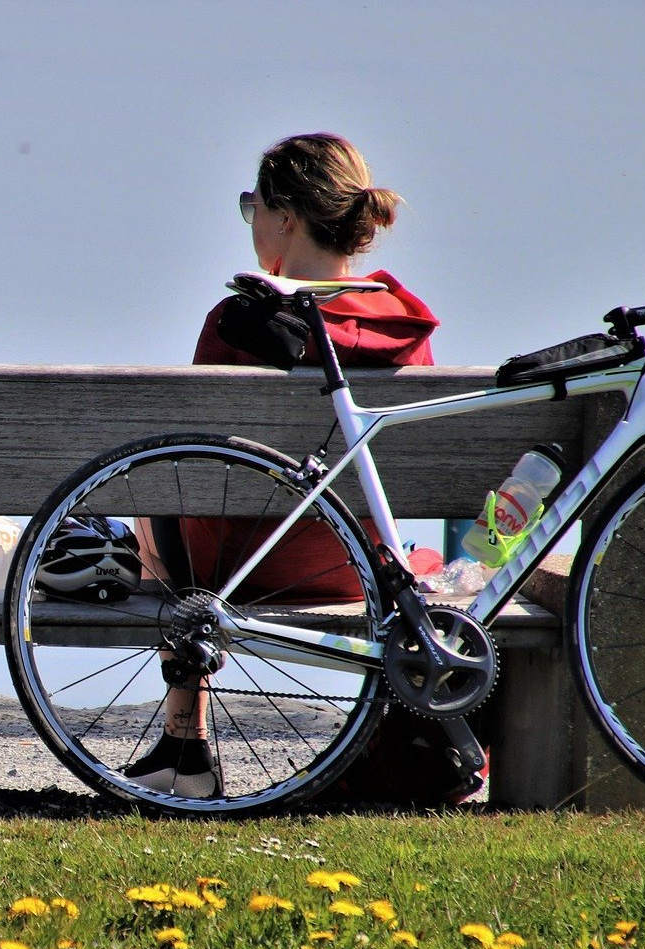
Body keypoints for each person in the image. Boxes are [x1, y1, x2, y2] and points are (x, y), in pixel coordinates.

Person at [125, 132, 479, 806]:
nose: (250, 221)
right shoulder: (407, 328)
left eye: (252, 205)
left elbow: (194, 464)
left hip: (239, 566)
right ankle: (186, 745)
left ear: (286, 217)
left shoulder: (238, 321)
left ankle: (186, 741)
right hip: (357, 567)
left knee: (155, 498)